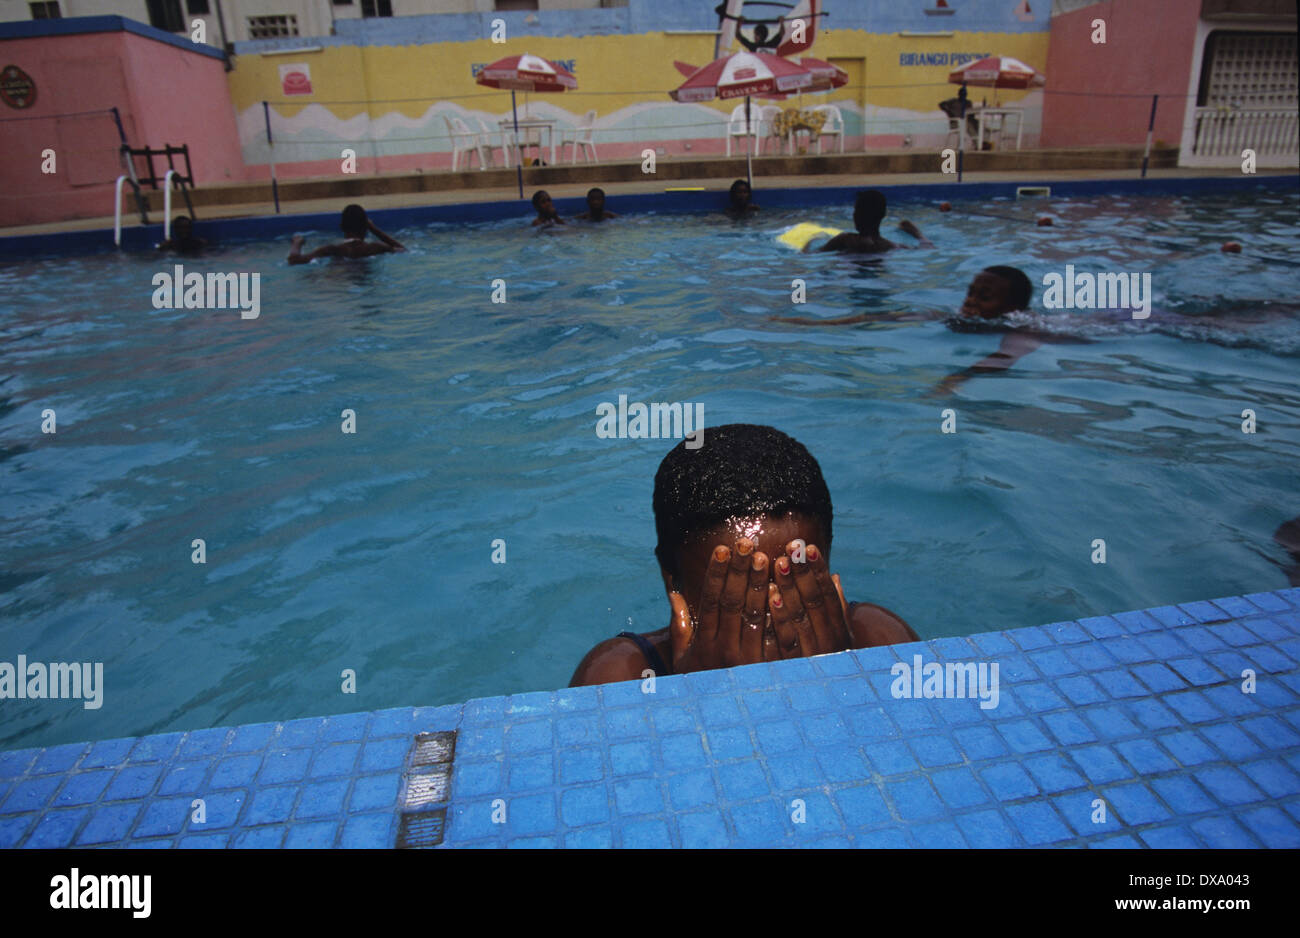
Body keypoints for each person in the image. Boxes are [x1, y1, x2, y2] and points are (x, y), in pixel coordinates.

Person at [569, 424, 918, 685]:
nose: (766, 617)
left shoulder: (875, 640)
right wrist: (699, 694)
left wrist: (838, 679)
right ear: (671, 578)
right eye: (730, 599)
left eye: (791, 586)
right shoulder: (620, 674)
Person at [817, 190, 930, 253]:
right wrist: (920, 236)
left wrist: (810, 240)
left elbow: (809, 255)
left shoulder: (844, 240)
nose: (854, 214)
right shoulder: (890, 246)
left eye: (857, 210)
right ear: (883, 215)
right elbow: (927, 247)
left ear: (856, 215)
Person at [287, 204, 404, 264]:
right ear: (366, 228)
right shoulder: (375, 248)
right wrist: (374, 229)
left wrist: (297, 243)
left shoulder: (332, 250)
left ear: (342, 227)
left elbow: (294, 260)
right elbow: (402, 250)